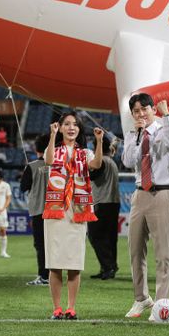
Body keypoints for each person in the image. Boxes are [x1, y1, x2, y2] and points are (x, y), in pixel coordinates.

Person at [122, 93, 169, 321]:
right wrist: (137, 136)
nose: (141, 114)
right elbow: (128, 161)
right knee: (135, 249)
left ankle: (162, 304)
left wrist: (167, 115)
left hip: (162, 193)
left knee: (163, 253)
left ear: (153, 110)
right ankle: (141, 298)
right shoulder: (132, 134)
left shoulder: (164, 128)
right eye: (136, 111)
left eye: (144, 109)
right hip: (140, 194)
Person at [43, 110, 103, 320]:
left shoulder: (84, 153)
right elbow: (49, 160)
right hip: (56, 211)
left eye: (75, 124)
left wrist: (99, 141)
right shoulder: (54, 149)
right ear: (60, 128)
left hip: (77, 212)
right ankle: (56, 308)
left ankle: (71, 307)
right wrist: (52, 136)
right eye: (67, 124)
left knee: (74, 264)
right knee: (55, 263)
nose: (71, 127)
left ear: (79, 129)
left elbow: (96, 164)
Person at [87, 137, 121, 280]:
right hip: (113, 203)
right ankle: (109, 266)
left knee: (95, 235)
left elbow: (92, 176)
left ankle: (108, 266)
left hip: (102, 202)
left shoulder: (100, 162)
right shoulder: (112, 162)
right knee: (110, 237)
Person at [20, 134, 51, 286]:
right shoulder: (57, 166)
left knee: (41, 245)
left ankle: (44, 276)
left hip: (39, 211)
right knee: (53, 245)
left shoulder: (31, 166)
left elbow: (23, 187)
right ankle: (54, 275)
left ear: (36, 149)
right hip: (56, 211)